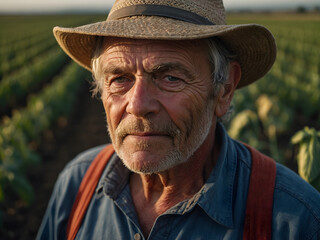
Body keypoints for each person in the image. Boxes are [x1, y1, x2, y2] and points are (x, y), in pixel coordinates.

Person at [37, 0, 320, 239]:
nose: (137, 105)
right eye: (119, 79)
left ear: (224, 89)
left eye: (170, 77)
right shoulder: (77, 184)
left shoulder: (295, 219)